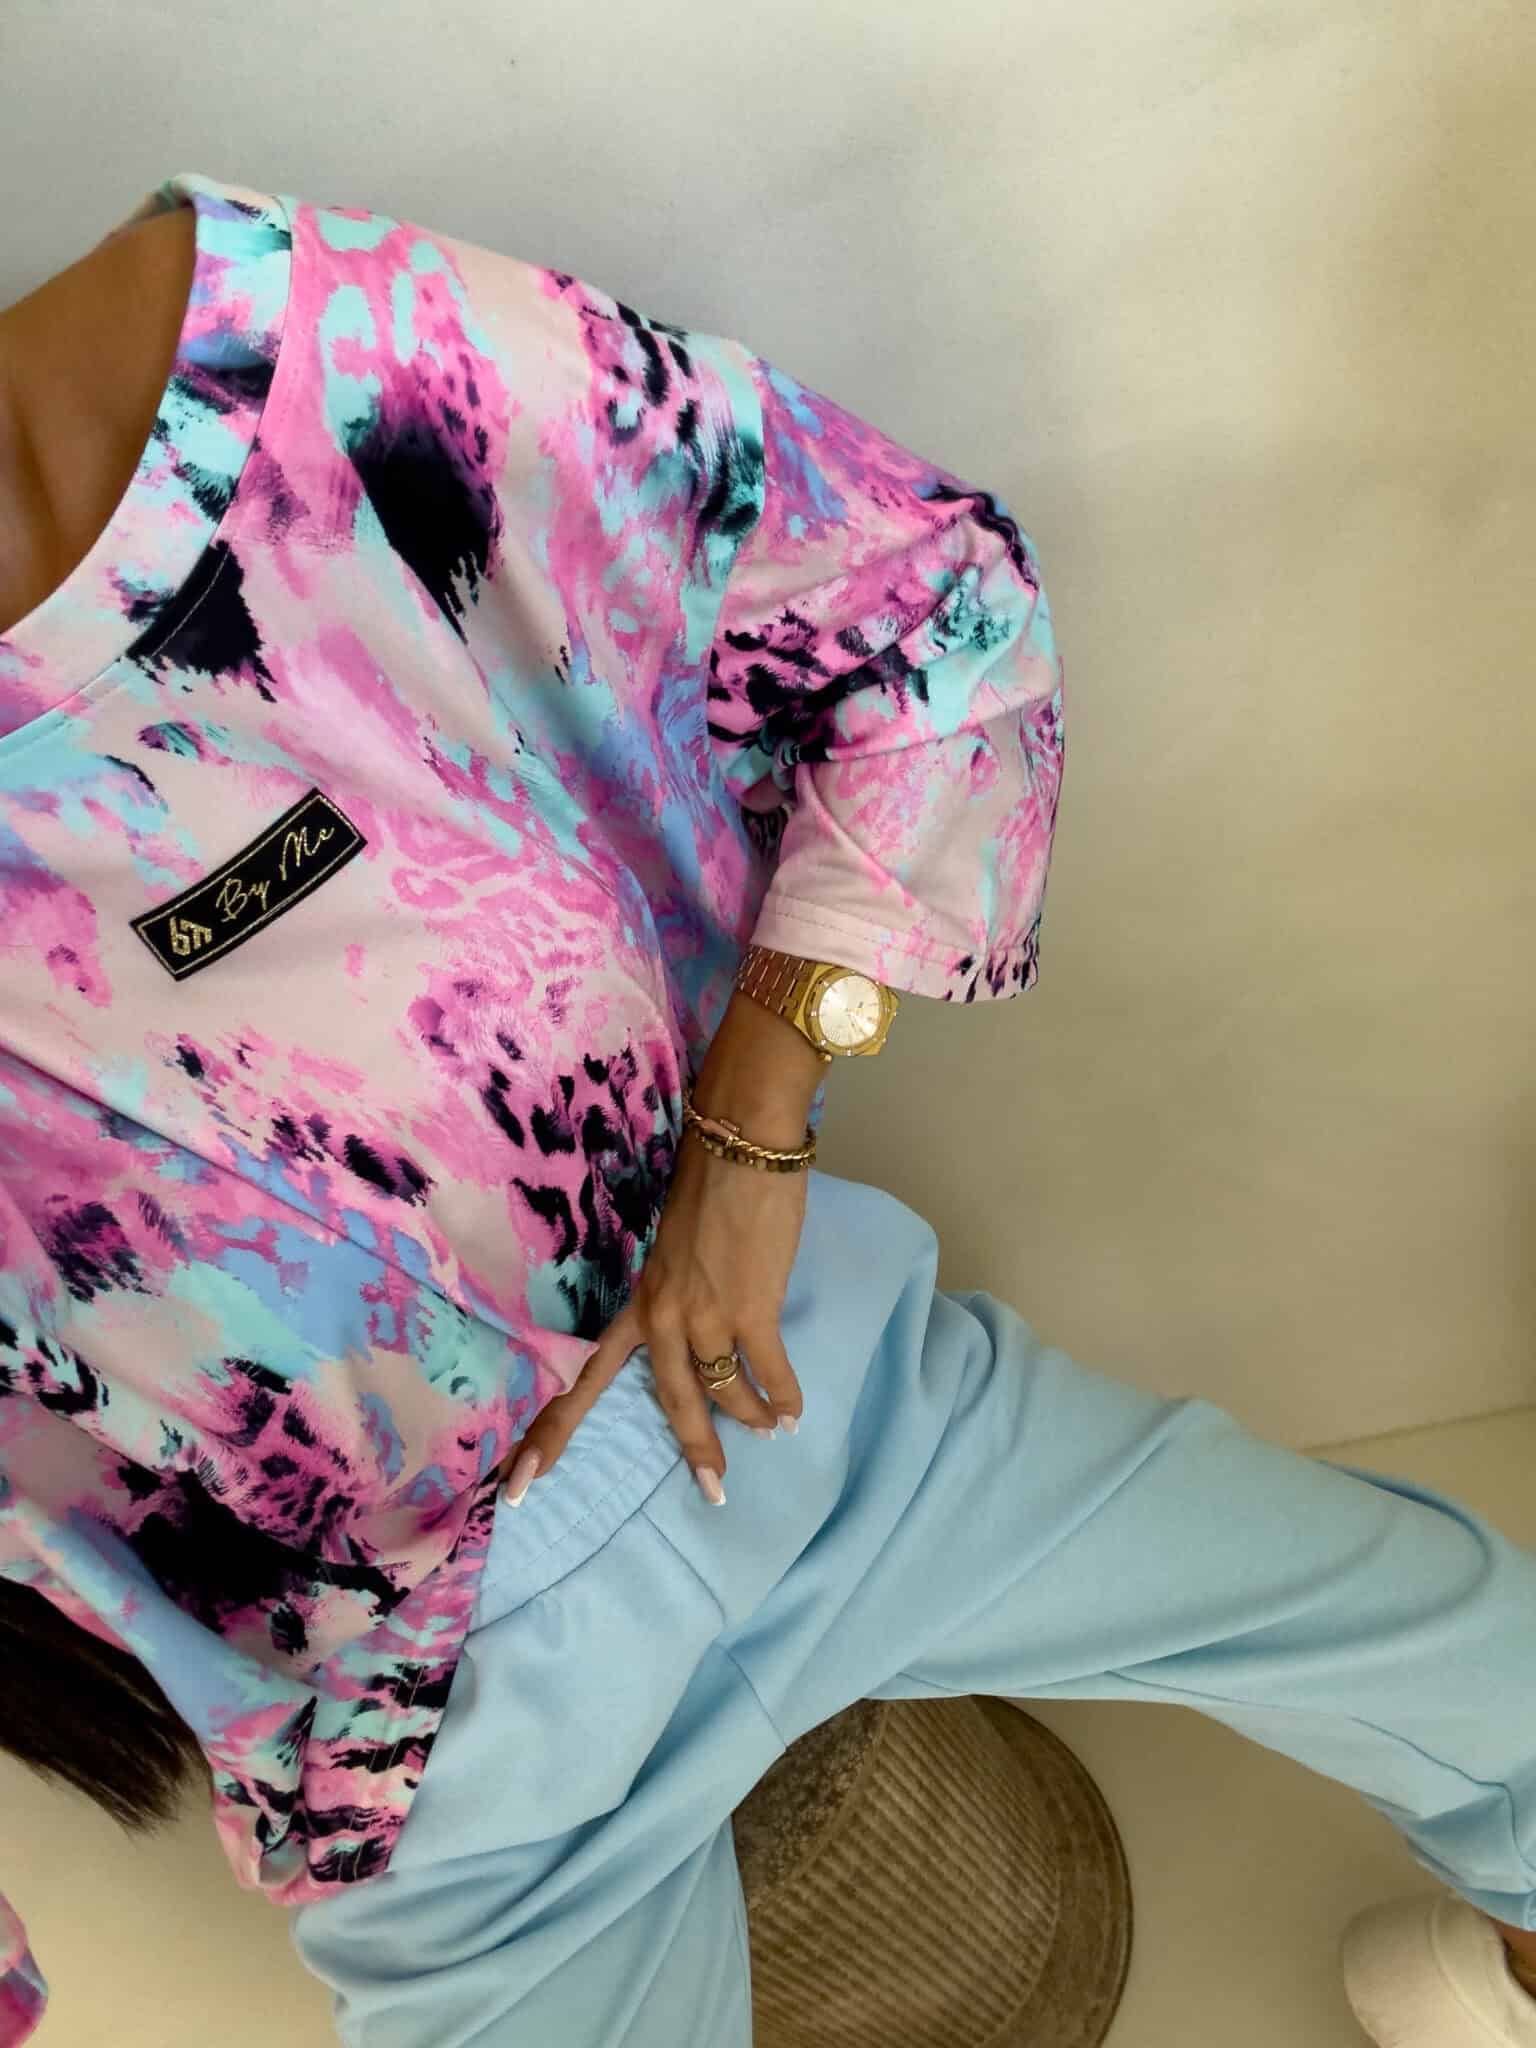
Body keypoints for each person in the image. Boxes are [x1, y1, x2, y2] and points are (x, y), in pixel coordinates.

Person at [0, 171, 1531, 2048]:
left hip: (799, 1396)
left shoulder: (301, 362)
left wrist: (757, 1124)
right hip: (431, 1762)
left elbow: (926, 606)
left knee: (1484, 1656)